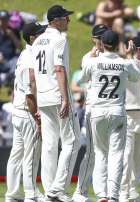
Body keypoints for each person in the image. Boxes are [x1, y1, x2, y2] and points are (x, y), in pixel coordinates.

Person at [80, 30, 140, 202]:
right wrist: (129, 56)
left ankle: (102, 195)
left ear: (102, 44)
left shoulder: (93, 62)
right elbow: (136, 77)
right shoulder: (124, 63)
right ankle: (113, 195)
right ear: (117, 44)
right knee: (116, 154)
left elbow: (80, 79)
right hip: (117, 111)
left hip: (97, 112)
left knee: (100, 154)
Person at [31, 5, 80, 202]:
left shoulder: (37, 42)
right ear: (56, 20)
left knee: (50, 145)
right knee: (73, 142)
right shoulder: (59, 39)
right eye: (66, 18)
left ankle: (50, 190)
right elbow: (59, 69)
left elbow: (33, 76)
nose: (68, 21)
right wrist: (66, 98)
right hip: (57, 95)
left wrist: (36, 100)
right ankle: (58, 189)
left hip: (43, 96)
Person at [5, 22, 46, 202]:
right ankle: (31, 193)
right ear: (32, 38)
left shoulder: (23, 54)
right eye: (40, 33)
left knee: (17, 154)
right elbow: (31, 84)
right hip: (27, 110)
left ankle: (12, 194)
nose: (44, 36)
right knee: (32, 154)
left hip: (18, 110)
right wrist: (37, 117)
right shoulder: (31, 56)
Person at [72, 24, 109, 202]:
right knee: (93, 152)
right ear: (93, 39)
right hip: (93, 108)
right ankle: (80, 191)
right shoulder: (88, 57)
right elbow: (82, 79)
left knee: (110, 154)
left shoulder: (113, 56)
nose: (102, 40)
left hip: (111, 109)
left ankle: (108, 192)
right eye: (99, 37)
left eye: (105, 36)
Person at [119, 36, 140, 202]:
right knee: (127, 156)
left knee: (138, 157)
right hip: (129, 113)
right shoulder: (126, 64)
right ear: (136, 49)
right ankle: (123, 192)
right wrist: (128, 56)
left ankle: (133, 190)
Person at [0, 10, 21, 77]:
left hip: (11, 59)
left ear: (8, 20)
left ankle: (9, 77)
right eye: (1, 19)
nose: (3, 22)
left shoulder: (14, 31)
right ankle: (3, 77)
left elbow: (19, 47)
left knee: (17, 63)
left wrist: (12, 36)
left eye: (5, 19)